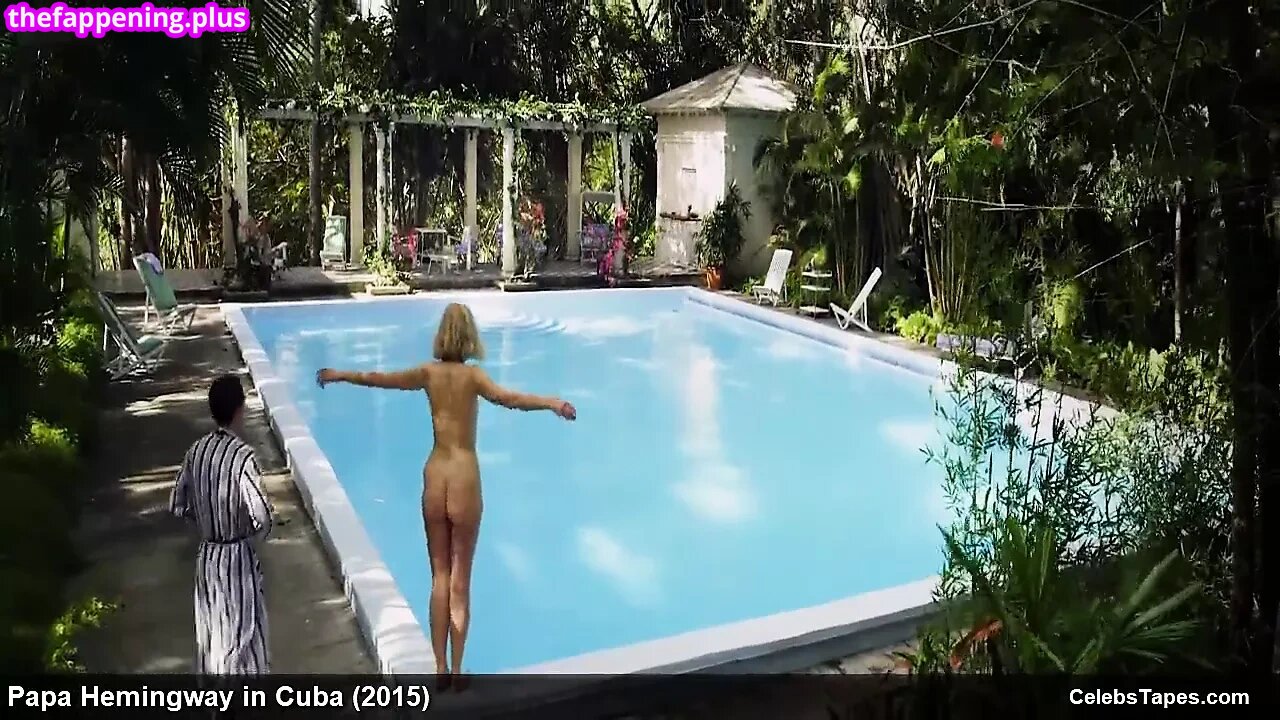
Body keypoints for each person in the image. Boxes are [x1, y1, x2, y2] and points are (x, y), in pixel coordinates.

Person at [316, 302, 576, 688]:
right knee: (460, 581)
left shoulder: (428, 374)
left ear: (441, 335)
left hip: (435, 474)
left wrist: (339, 374)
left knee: (439, 577)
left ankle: (438, 666)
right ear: (469, 336)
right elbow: (511, 399)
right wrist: (552, 402)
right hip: (464, 477)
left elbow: (379, 379)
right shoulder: (473, 377)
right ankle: (456, 672)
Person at [170, 374, 274, 675]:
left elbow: (177, 503)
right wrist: (250, 533)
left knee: (212, 634)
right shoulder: (243, 457)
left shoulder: (196, 451)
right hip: (236, 557)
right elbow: (262, 515)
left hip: (207, 557)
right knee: (242, 638)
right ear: (240, 409)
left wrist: (205, 522)